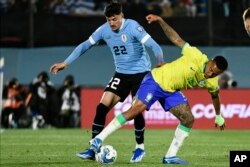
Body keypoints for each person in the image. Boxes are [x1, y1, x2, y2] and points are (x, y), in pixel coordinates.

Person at [88, 14, 228, 164]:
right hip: (156, 80)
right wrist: (161, 20)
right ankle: (98, 139)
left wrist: (218, 116)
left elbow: (215, 95)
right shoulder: (196, 55)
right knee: (136, 110)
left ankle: (170, 156)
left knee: (188, 119)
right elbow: (176, 39)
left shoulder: (212, 80)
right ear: (210, 61)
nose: (211, 74)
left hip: (170, 90)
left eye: (215, 73)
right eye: (211, 69)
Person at [49, 1, 164, 163]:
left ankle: (139, 148)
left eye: (114, 19)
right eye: (108, 20)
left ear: (122, 16)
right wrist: (65, 63)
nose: (111, 23)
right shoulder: (104, 30)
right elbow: (85, 45)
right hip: (121, 74)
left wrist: (160, 62)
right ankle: (93, 148)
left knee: (136, 110)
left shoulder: (133, 27)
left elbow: (155, 46)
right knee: (102, 107)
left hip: (141, 74)